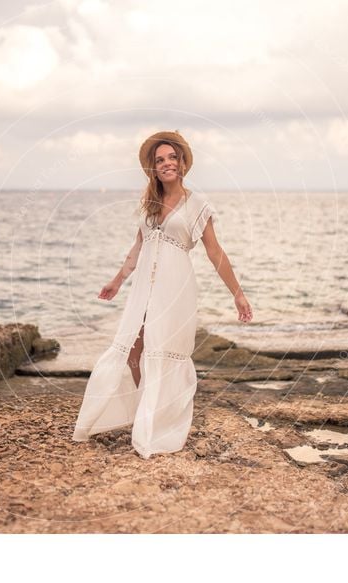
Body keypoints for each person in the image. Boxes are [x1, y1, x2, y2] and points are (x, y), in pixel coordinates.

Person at [72, 130, 253, 458]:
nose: (167, 163)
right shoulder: (149, 205)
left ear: (182, 163)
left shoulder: (197, 204)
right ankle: (145, 415)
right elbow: (137, 248)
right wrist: (117, 280)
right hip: (145, 287)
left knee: (162, 352)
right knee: (132, 349)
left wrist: (237, 294)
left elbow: (215, 252)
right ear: (153, 169)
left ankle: (156, 426)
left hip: (176, 286)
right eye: (160, 160)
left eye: (172, 157)